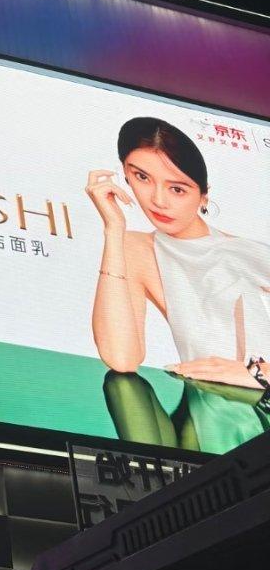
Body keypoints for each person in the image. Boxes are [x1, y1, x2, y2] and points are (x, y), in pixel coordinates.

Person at [86, 116, 270, 451]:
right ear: (124, 174)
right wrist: (113, 230)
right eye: (142, 177)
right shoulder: (135, 247)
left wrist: (260, 374)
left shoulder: (249, 253)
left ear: (203, 195)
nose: (158, 200)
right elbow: (121, 359)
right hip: (203, 412)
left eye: (177, 189)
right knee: (122, 385)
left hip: (257, 407)